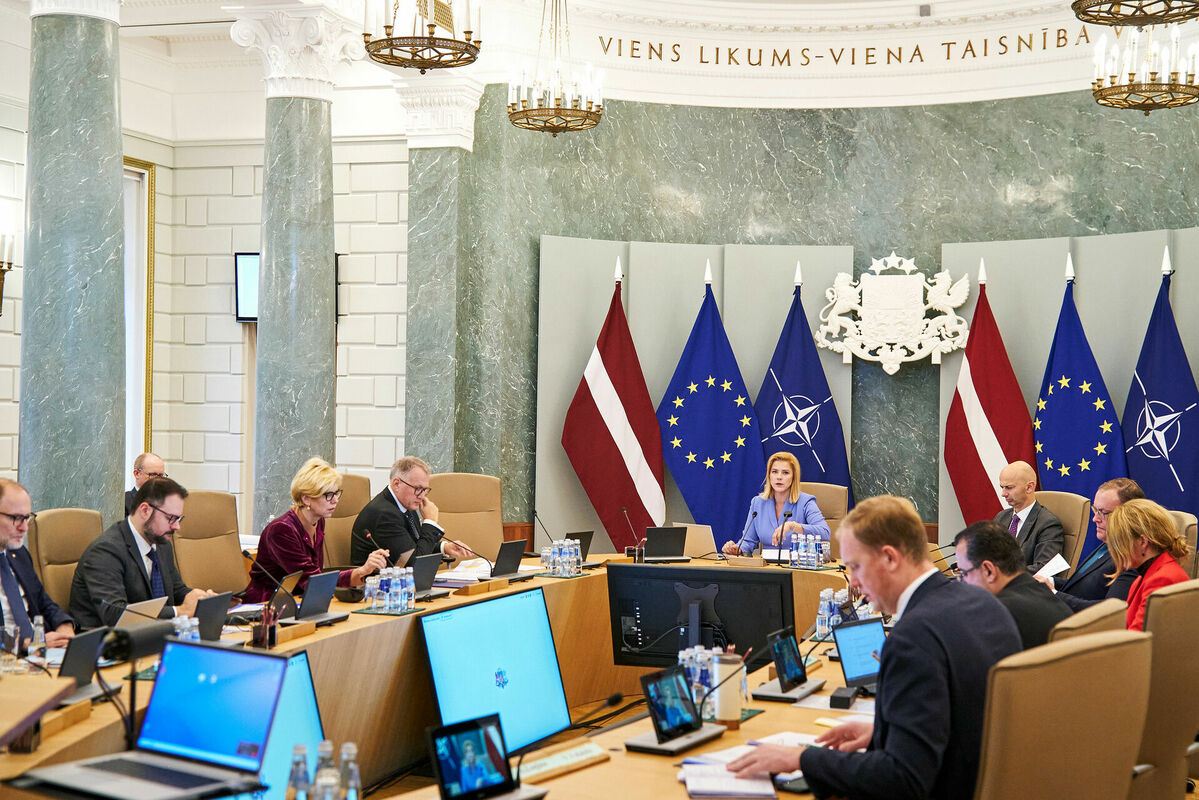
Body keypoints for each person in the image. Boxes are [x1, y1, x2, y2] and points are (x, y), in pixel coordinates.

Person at [727, 495, 1021, 800]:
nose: (852, 582)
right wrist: (883, 733)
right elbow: (966, 717)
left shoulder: (912, 638)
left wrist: (801, 758)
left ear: (890, 558)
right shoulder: (985, 604)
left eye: (856, 566)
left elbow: (902, 779)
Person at [70, 477, 215, 629]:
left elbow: (176, 589)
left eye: (179, 519)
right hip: (107, 643)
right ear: (145, 510)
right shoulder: (105, 551)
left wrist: (200, 600)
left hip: (152, 635)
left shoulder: (161, 543)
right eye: (171, 518)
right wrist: (178, 611)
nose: (177, 526)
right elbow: (115, 614)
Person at [243, 457, 388, 603]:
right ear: (306, 499)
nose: (335, 500)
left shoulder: (318, 522)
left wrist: (364, 571)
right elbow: (311, 580)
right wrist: (361, 571)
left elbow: (315, 578)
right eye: (328, 495)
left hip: (301, 601)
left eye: (336, 493)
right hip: (266, 607)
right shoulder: (281, 530)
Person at [953, 521, 1071, 649]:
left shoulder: (995, 615)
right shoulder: (1043, 593)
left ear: (989, 570)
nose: (963, 583)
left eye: (964, 574)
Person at [1035, 478, 1142, 611]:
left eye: (1104, 513)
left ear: (1129, 515)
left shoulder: (1131, 558)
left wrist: (1054, 595)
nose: (1095, 518)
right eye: (1095, 510)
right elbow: (1087, 587)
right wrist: (1050, 582)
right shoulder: (1109, 542)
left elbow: (1112, 611)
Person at [350, 456, 471, 568]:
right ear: (397, 484)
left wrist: (444, 547)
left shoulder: (405, 504)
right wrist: (430, 523)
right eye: (418, 489)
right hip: (373, 586)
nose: (422, 496)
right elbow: (414, 564)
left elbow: (412, 547)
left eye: (425, 490)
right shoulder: (384, 514)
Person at [0, 479, 74, 649]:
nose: (24, 528)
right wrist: (27, 644)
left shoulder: (19, 554)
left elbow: (43, 601)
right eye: (16, 518)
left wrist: (64, 626)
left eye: (27, 518)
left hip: (37, 658)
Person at [1105, 498, 1191, 631]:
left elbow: (1137, 642)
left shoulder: (1161, 580)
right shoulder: (1144, 576)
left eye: (1120, 542)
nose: (1114, 550)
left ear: (1142, 542)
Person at [722, 452, 830, 556]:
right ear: (769, 475)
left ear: (793, 477)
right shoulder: (758, 503)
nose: (779, 477)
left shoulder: (806, 502)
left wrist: (793, 526)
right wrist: (736, 549)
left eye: (785, 472)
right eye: (774, 471)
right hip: (767, 569)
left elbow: (825, 533)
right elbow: (748, 541)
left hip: (797, 567)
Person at [991, 460, 1063, 572]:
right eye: (1002, 487)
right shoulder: (1001, 517)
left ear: (1029, 487)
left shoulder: (1048, 524)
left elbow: (1044, 569)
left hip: (1021, 587)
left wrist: (1000, 573)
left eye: (1009, 487)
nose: (1003, 494)